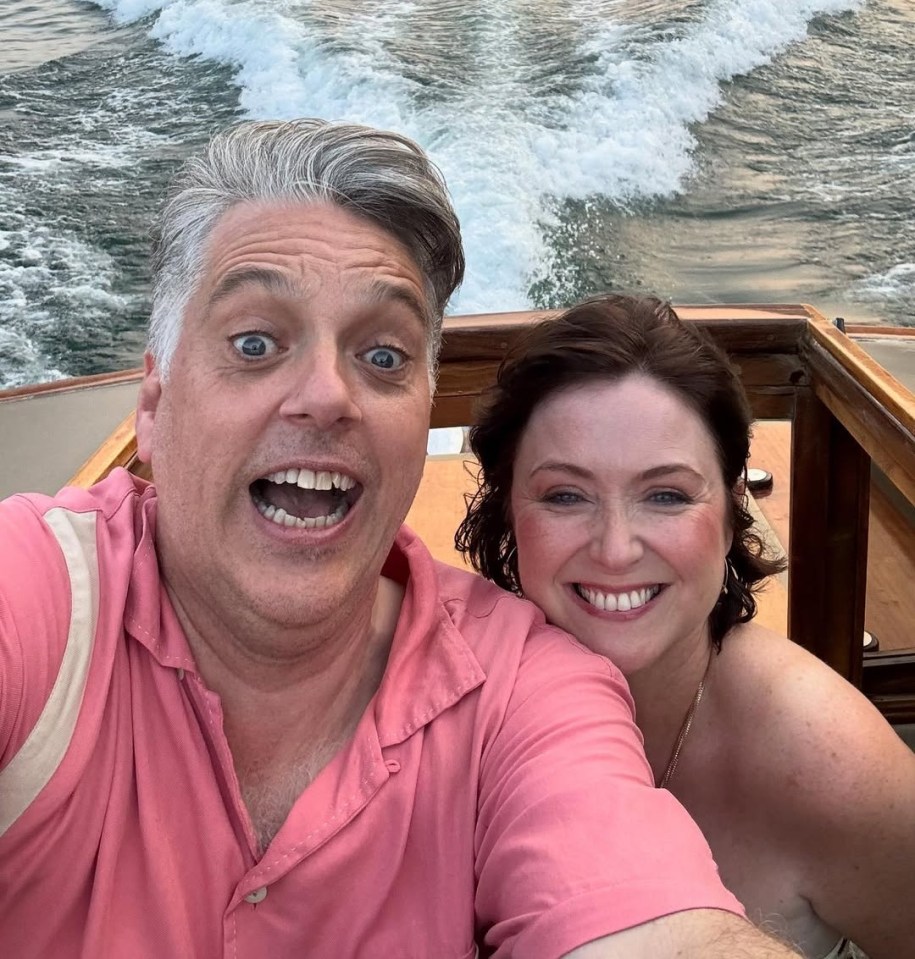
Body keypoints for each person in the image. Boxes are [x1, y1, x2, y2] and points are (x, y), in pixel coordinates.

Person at [0, 121, 804, 959]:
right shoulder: (40, 597)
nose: (325, 394)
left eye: (383, 355)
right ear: (155, 407)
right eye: (253, 342)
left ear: (422, 417)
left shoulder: (525, 691)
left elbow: (649, 922)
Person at [456, 294, 915, 959]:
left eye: (665, 494)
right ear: (508, 516)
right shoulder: (439, 705)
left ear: (732, 516)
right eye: (565, 494)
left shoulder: (825, 760)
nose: (615, 548)